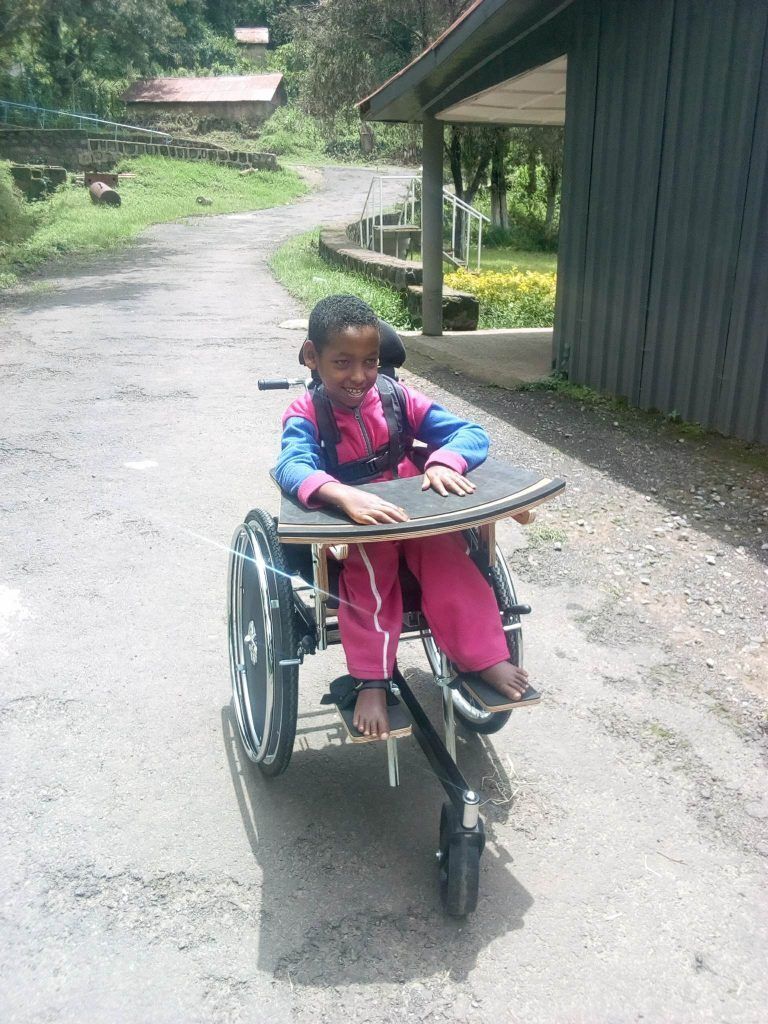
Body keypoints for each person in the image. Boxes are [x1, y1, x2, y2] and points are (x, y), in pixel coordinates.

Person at [275, 294, 536, 740]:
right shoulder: (306, 413)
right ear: (311, 356)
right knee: (370, 578)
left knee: (452, 560)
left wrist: (442, 462)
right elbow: (290, 464)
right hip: (364, 525)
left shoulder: (398, 397)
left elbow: (470, 433)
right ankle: (373, 679)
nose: (358, 376)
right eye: (342, 363)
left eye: (370, 362)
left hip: (417, 516)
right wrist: (339, 493)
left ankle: (483, 657)